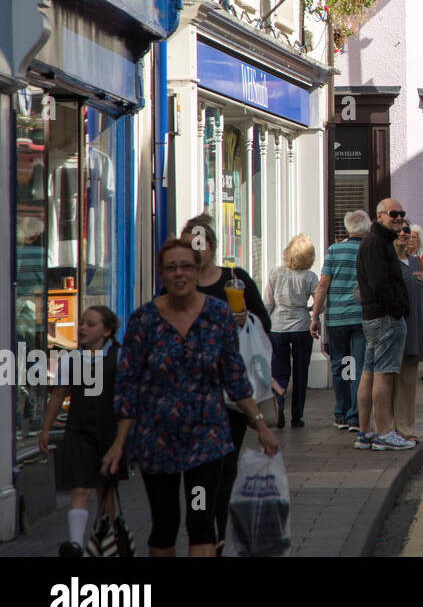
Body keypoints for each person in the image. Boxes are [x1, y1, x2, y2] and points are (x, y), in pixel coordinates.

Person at [104, 238, 278, 557]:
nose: (179, 274)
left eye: (186, 266)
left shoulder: (217, 315)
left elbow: (234, 377)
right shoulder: (144, 321)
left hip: (205, 442)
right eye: (171, 268)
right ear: (162, 275)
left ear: (197, 272)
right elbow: (128, 387)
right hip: (157, 443)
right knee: (165, 523)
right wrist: (118, 443)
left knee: (201, 521)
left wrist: (261, 425)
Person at [181, 213, 273, 553]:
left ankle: (219, 531)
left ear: (213, 246)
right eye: (189, 244)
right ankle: (205, 531)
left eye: (200, 244)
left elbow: (264, 321)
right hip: (193, 391)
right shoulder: (179, 284)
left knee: (225, 461)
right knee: (200, 467)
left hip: (232, 389)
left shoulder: (236, 279)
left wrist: (245, 316)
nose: (195, 251)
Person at [39, 306, 128, 557]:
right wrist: (45, 428)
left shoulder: (120, 358)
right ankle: (76, 544)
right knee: (80, 487)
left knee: (105, 489)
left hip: (109, 432)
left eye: (90, 324)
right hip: (78, 430)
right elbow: (58, 395)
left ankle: (105, 536)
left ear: (107, 330)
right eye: (82, 324)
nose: (82, 328)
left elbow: (128, 399)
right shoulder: (71, 360)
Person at [354, 199, 414, 452]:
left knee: (369, 372)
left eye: (401, 213)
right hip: (385, 318)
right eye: (393, 214)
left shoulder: (375, 242)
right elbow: (380, 284)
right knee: (384, 375)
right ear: (379, 216)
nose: (399, 218)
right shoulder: (377, 244)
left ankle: (365, 432)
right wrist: (396, 310)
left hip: (373, 317)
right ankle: (383, 433)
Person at [311, 210, 369, 432]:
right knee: (357, 366)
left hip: (337, 320)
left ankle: (342, 412)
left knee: (343, 365)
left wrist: (315, 316)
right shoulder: (367, 250)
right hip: (361, 317)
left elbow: (323, 284)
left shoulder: (334, 250)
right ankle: (355, 416)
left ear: (347, 229)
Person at [265, 234, 318, 429]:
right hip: (301, 326)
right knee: (300, 371)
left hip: (277, 326)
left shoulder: (275, 273)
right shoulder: (310, 276)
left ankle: (279, 401)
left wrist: (264, 325)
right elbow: (320, 299)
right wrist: (313, 312)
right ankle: (297, 417)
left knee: (279, 370)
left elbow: (268, 303)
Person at [393, 223, 423, 441]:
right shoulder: (386, 262)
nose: (403, 234)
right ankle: (389, 428)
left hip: (414, 329)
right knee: (389, 382)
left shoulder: (417, 261)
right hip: (391, 330)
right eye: (398, 231)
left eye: (406, 231)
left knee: (408, 383)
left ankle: (406, 429)